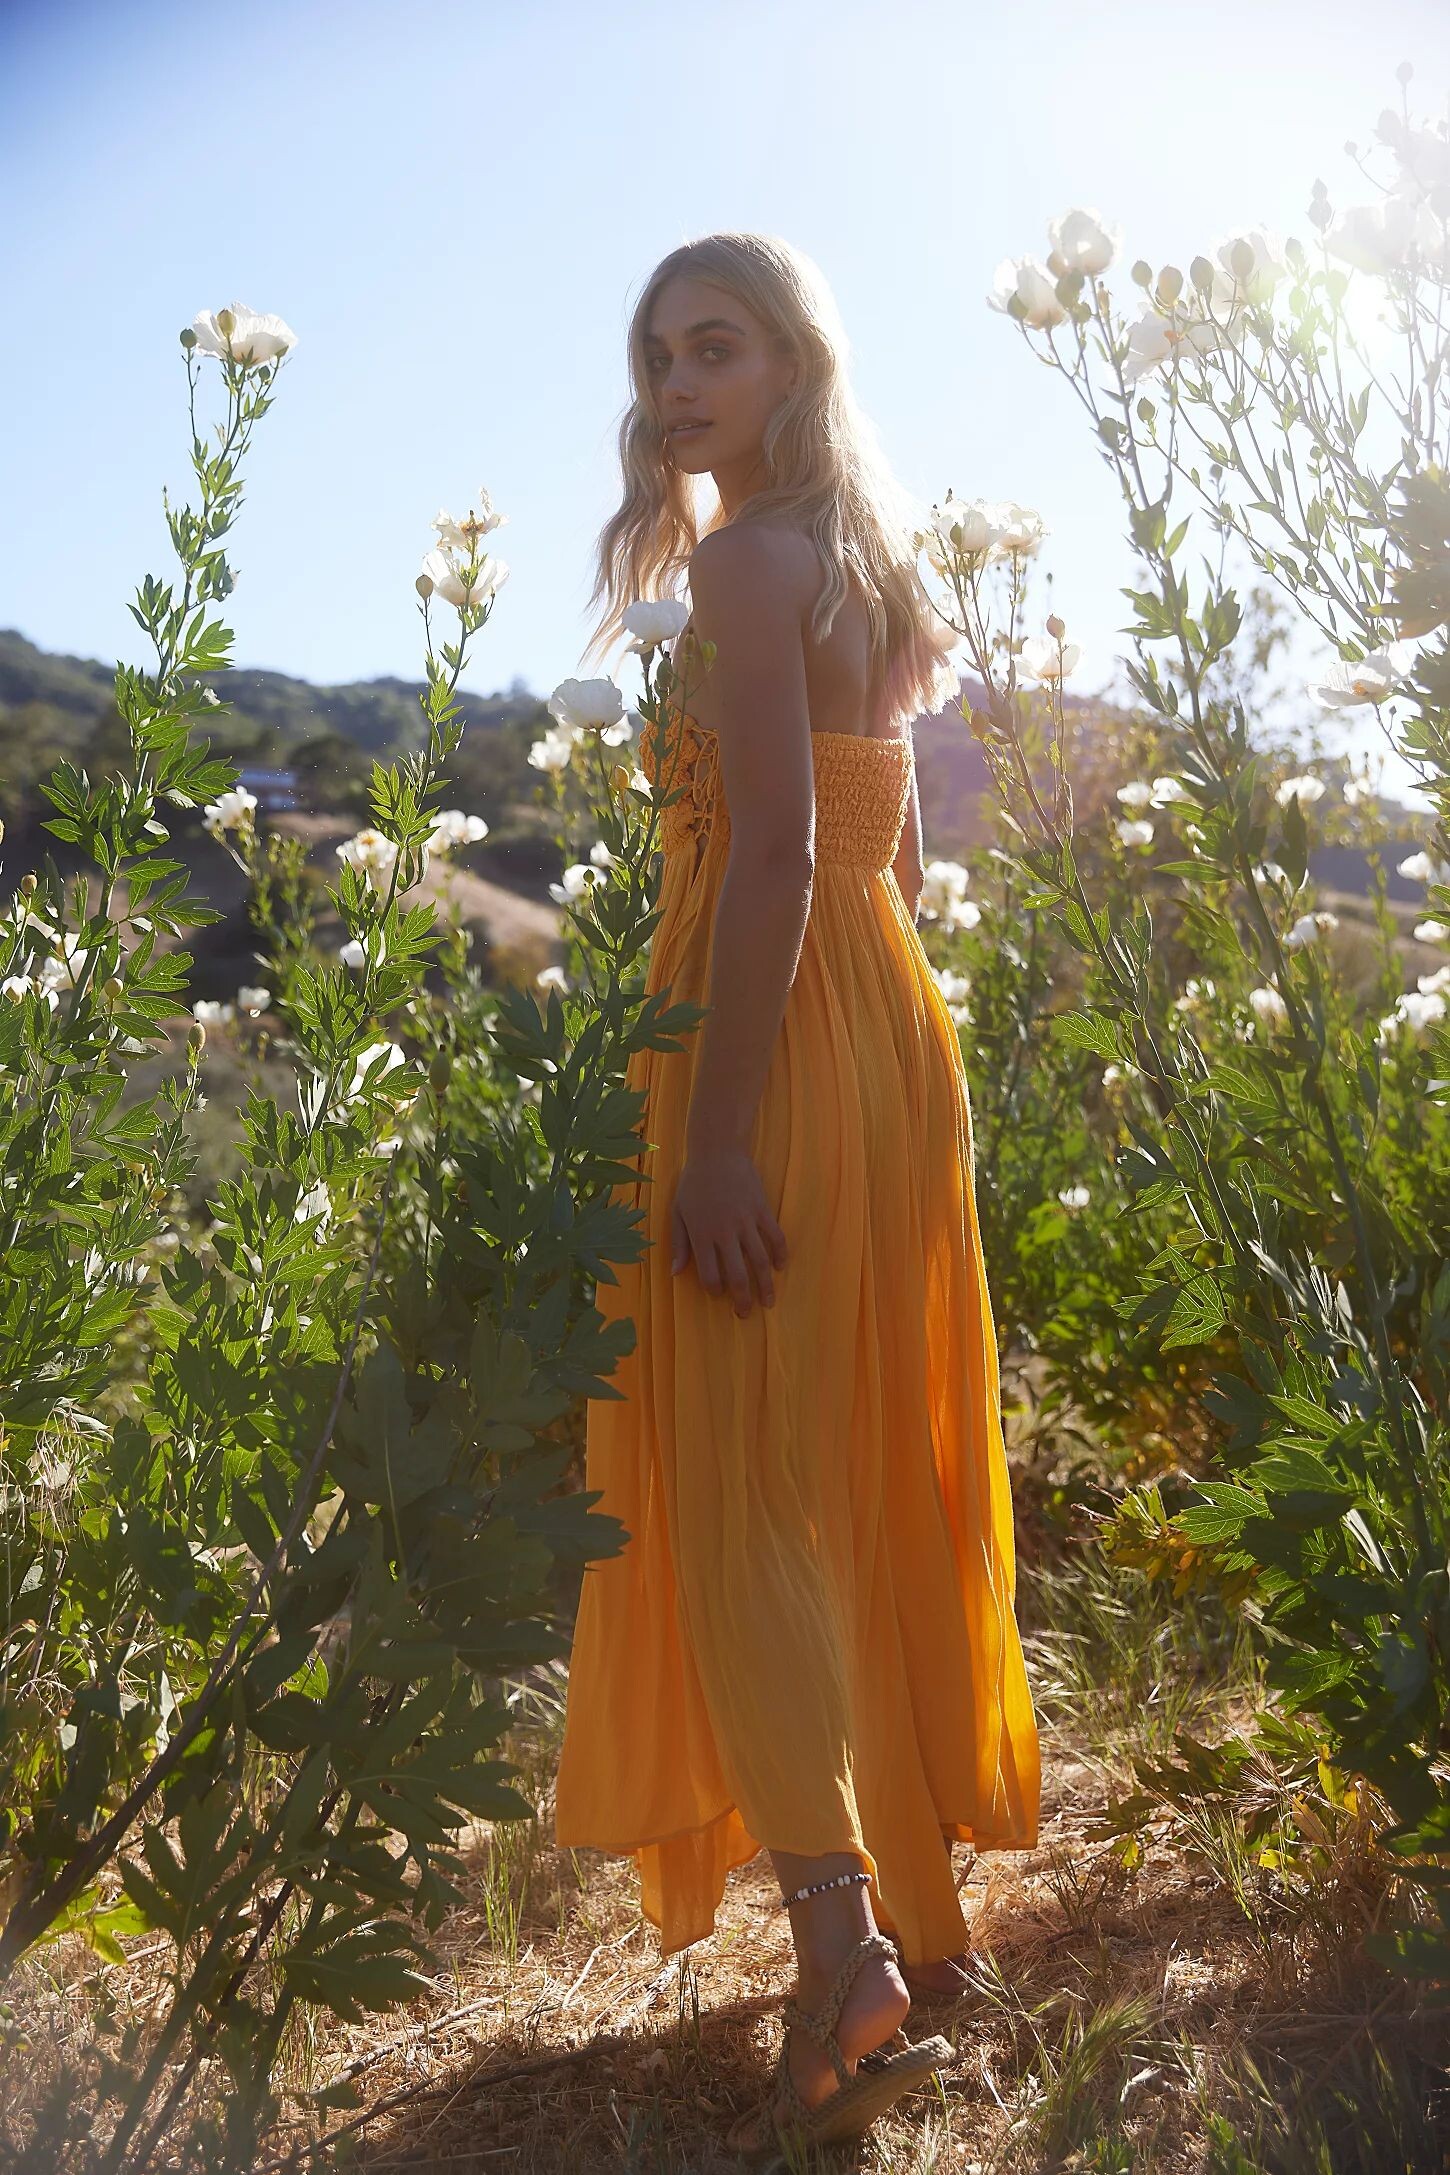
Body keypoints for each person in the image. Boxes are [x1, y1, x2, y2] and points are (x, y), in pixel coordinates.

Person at [552, 230, 1040, 2157]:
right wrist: (867, 1065)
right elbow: (887, 854)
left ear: (793, 366)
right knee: (854, 1456)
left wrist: (723, 1133)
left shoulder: (751, 564)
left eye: (716, 348)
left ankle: (844, 1961)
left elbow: (769, 856)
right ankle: (915, 1919)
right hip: (879, 1027)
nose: (676, 386)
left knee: (740, 1477)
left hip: (759, 1036)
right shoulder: (859, 559)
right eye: (658, 353)